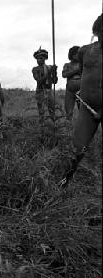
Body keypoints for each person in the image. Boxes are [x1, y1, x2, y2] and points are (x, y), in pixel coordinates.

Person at [60, 14, 102, 188]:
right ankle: (64, 183)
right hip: (87, 106)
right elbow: (86, 73)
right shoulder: (85, 50)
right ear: (97, 31)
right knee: (78, 146)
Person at [32, 47, 58, 122]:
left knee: (52, 111)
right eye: (37, 58)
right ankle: (42, 129)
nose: (38, 60)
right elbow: (39, 81)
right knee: (41, 112)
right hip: (40, 91)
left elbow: (54, 81)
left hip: (49, 91)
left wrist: (55, 73)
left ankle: (54, 127)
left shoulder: (49, 67)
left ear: (44, 59)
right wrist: (49, 72)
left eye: (40, 58)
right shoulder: (35, 69)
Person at [62, 46, 82, 120]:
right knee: (69, 111)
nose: (77, 55)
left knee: (82, 110)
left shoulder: (82, 64)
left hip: (81, 90)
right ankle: (68, 127)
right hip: (70, 91)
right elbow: (64, 74)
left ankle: (81, 127)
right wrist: (76, 71)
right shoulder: (67, 65)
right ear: (72, 55)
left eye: (79, 54)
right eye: (76, 54)